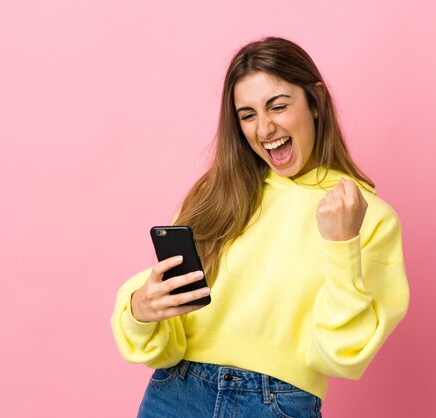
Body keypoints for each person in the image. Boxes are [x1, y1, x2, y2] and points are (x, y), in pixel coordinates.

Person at [110, 36, 410, 418]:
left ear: (315, 102)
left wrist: (341, 245)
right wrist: (140, 308)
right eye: (247, 114)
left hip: (277, 404)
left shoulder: (365, 215)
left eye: (279, 106)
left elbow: (341, 355)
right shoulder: (215, 194)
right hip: (176, 394)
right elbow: (166, 333)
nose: (265, 128)